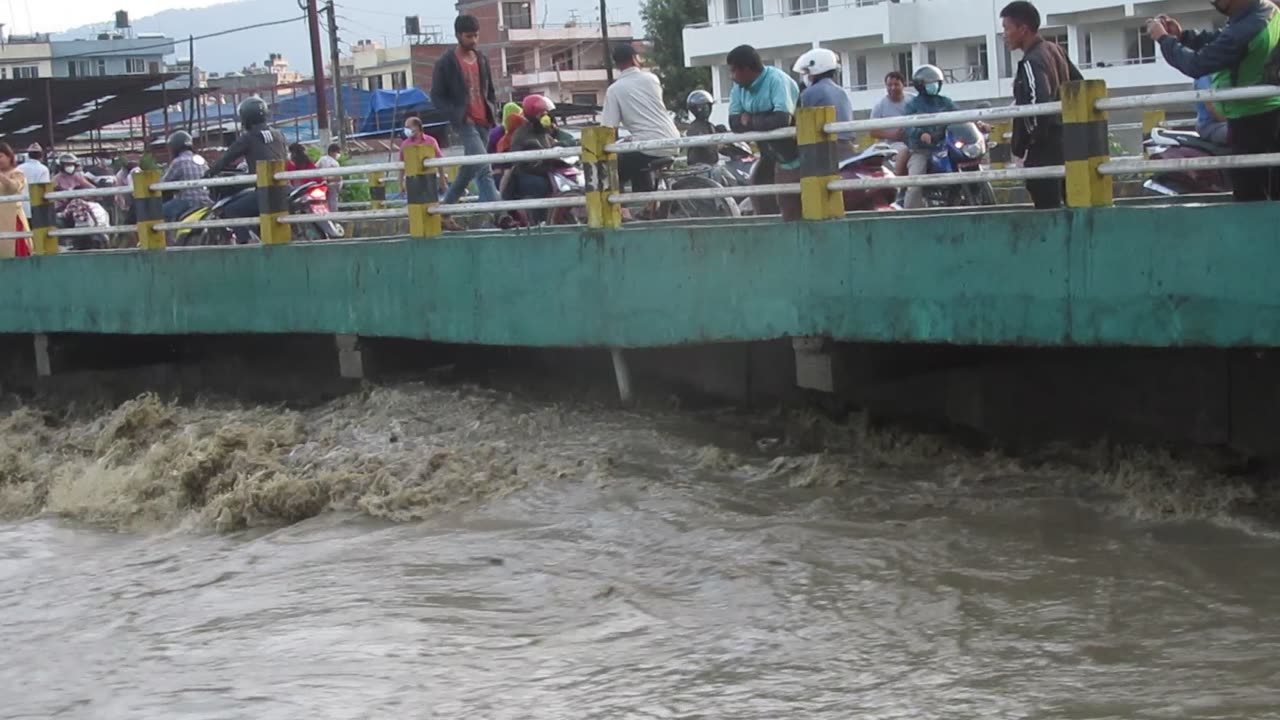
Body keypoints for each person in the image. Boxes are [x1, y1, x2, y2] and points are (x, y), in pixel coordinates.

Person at [1148, 0, 1280, 201]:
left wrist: (1164, 39)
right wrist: (1184, 37)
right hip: (1268, 112)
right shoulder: (1267, 12)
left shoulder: (1248, 27)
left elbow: (1197, 64)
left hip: (1250, 119)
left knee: (1251, 200)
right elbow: (1222, 39)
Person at [1001, 1, 1082, 209]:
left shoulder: (1031, 61)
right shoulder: (1055, 50)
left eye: (1006, 28)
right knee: (1069, 205)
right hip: (1067, 141)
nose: (1004, 35)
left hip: (1044, 147)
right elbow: (1078, 84)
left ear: (1023, 29)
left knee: (1047, 209)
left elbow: (1038, 103)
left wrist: (1030, 142)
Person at [430, 14, 501, 212]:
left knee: (469, 169)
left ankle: (445, 211)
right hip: (465, 122)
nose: (474, 40)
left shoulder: (481, 59)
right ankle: (499, 215)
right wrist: (457, 115)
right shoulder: (446, 62)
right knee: (483, 167)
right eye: (469, 36)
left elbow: (490, 90)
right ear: (458, 35)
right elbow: (436, 97)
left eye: (476, 36)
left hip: (484, 120)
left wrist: (492, 109)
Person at [726, 44, 802, 220]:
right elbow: (734, 123)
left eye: (733, 71)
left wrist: (750, 119)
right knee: (759, 194)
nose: (732, 77)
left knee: (789, 203)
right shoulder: (739, 88)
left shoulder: (777, 80)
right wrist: (763, 118)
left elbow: (782, 119)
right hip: (769, 155)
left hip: (794, 156)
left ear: (746, 70)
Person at [206, 96, 288, 243]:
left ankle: (249, 244)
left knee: (231, 211)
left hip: (266, 192)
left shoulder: (249, 137)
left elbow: (227, 157)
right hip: (285, 188)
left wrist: (210, 172)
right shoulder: (279, 134)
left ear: (246, 118)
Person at [601, 43, 680, 193]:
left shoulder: (614, 90)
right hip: (672, 140)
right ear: (634, 58)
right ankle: (650, 205)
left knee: (610, 169)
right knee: (635, 161)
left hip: (648, 146)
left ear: (616, 64)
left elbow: (608, 128)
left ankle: (622, 209)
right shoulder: (652, 79)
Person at [505, 94, 576, 225]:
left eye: (545, 113)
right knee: (540, 185)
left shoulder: (545, 132)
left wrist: (565, 146)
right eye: (540, 114)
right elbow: (519, 160)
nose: (545, 116)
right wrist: (542, 163)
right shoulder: (521, 134)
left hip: (548, 170)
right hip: (528, 173)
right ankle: (539, 221)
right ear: (532, 115)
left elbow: (556, 143)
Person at [901, 65, 957, 210]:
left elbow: (961, 116)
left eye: (936, 82)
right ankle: (909, 215)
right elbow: (907, 125)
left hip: (945, 147)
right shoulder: (912, 105)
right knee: (916, 182)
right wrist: (920, 134)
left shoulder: (945, 102)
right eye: (930, 83)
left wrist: (978, 123)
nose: (934, 85)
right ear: (920, 85)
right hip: (922, 150)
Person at [793, 47, 856, 159]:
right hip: (848, 148)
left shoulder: (810, 93)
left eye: (807, 72)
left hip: (827, 150)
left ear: (816, 70)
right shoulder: (841, 91)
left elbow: (799, 123)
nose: (807, 76)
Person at [870, 72, 912, 194]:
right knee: (903, 149)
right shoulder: (879, 106)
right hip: (893, 145)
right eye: (889, 85)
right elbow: (872, 131)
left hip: (915, 142)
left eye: (896, 84)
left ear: (903, 85)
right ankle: (895, 185)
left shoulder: (912, 100)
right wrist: (893, 135)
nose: (893, 88)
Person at [159, 131, 211, 223]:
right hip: (207, 202)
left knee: (157, 213)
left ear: (175, 147)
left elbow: (162, 185)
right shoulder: (201, 159)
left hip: (188, 202)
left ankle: (166, 236)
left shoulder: (179, 161)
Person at [0, 143, 31, 258]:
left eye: (0, 156)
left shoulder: (17, 173)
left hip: (12, 218)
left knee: (14, 250)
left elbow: (13, 188)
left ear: (9, 156)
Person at [684, 89, 721, 167]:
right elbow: (702, 143)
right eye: (705, 106)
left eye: (709, 106)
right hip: (700, 167)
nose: (708, 109)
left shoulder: (709, 125)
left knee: (728, 177)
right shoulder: (694, 127)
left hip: (713, 165)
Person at [1194, 74, 1231, 145]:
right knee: (1240, 133)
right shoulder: (1204, 76)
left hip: (1227, 122)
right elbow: (1212, 107)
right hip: (1211, 125)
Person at [16, 143, 49, 219]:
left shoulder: (19, 168)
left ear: (29, 155)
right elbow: (43, 188)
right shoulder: (43, 169)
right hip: (36, 206)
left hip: (20, 205)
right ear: (41, 155)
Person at [315, 143, 342, 213]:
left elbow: (315, 169)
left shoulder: (322, 159)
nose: (338, 154)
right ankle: (334, 219)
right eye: (337, 152)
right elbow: (338, 177)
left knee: (323, 203)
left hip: (322, 184)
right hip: (332, 185)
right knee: (333, 203)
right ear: (332, 152)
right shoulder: (335, 163)